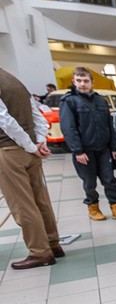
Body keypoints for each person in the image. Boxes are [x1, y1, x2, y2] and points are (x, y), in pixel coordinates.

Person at [0, 67, 63, 269]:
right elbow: (37, 115)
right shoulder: (14, 80)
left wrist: (29, 144)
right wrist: (39, 142)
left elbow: (5, 121)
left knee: (22, 204)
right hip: (30, 149)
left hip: (9, 151)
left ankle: (39, 251)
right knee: (40, 199)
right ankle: (53, 244)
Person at [59, 67, 116, 221]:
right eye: (79, 80)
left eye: (86, 81)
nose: (82, 84)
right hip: (85, 151)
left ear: (91, 82)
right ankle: (93, 208)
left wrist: (113, 147)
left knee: (110, 179)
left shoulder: (100, 100)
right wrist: (77, 151)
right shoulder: (69, 101)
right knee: (90, 182)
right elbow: (68, 128)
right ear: (73, 81)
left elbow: (109, 125)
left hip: (103, 150)